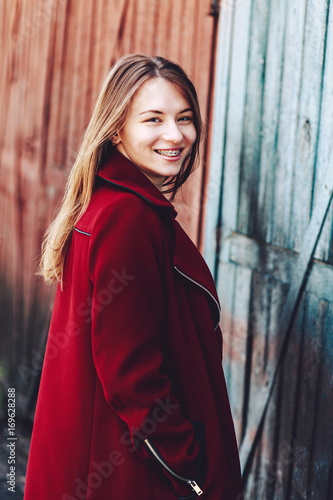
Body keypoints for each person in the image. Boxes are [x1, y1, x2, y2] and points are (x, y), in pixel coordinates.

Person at [24, 54, 243, 500]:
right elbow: (131, 371)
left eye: (184, 118)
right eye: (153, 119)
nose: (175, 135)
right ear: (117, 130)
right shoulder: (127, 217)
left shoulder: (109, 202)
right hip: (129, 472)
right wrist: (188, 466)